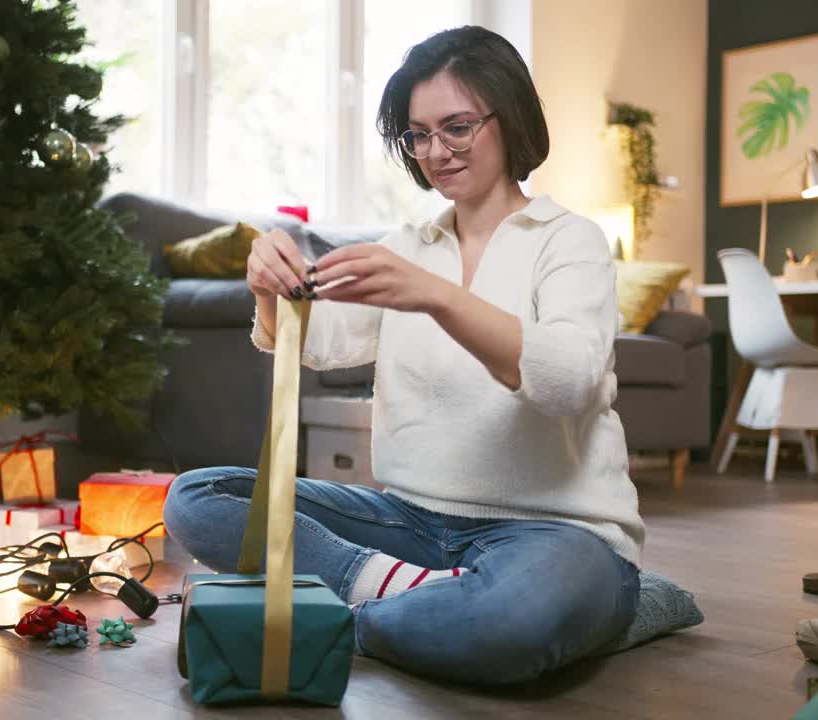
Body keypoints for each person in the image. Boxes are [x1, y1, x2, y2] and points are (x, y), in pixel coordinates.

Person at [162, 25, 643, 685]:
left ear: (511, 117)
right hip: (408, 523)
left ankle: (343, 618)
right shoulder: (407, 244)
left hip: (552, 532)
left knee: (520, 616)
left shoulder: (570, 241)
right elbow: (320, 343)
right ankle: (407, 595)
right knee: (196, 495)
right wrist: (269, 288)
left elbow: (568, 383)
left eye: (457, 126)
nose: (435, 151)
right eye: (418, 135)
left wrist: (437, 297)